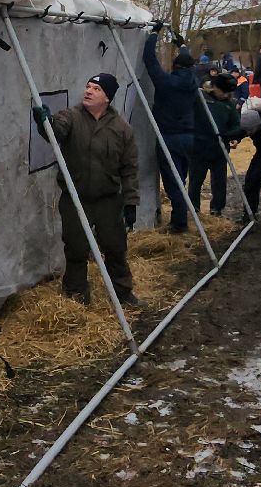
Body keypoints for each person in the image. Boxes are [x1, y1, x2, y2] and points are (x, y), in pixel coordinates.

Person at [43, 73, 142, 309]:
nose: (88, 91)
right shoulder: (71, 116)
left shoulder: (121, 129)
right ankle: (76, 294)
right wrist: (44, 122)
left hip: (108, 200)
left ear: (107, 97)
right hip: (76, 199)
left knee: (115, 247)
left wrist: (130, 202)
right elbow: (55, 132)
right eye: (88, 86)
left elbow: (129, 168)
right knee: (76, 248)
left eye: (96, 89)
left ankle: (122, 292)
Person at [142, 32, 199, 234]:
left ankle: (179, 224)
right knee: (181, 179)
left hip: (169, 138)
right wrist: (181, 45)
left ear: (175, 67)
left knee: (173, 183)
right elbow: (188, 62)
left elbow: (149, 59)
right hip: (189, 138)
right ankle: (179, 218)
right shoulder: (193, 81)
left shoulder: (166, 83)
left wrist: (153, 35)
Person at [190, 72, 244, 218]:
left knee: (219, 181)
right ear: (214, 87)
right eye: (223, 91)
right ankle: (193, 209)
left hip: (220, 148)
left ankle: (217, 209)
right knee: (196, 180)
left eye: (228, 93)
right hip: (199, 147)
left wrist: (235, 137)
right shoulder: (200, 98)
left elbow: (236, 124)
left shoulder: (229, 104)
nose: (225, 95)